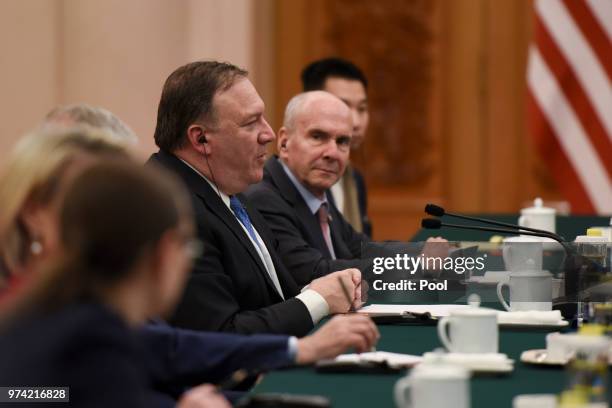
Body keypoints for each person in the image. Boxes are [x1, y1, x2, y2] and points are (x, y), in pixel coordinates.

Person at [0, 112, 379, 399]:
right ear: (35, 208)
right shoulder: (31, 301)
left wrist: (297, 349)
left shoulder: (75, 282)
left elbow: (164, 348)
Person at [149, 61, 367, 336]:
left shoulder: (231, 193)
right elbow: (220, 334)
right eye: (252, 122)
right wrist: (318, 300)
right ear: (201, 139)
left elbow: (277, 296)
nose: (268, 134)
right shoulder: (171, 208)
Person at [0, 157, 229, 407]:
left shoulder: (46, 311)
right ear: (163, 252)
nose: (188, 262)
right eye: (187, 247)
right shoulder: (95, 338)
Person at [246, 92, 448, 286]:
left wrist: (420, 252)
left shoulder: (318, 192)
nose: (332, 153)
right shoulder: (263, 198)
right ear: (284, 142)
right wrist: (414, 264)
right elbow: (313, 273)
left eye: (342, 141)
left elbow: (361, 248)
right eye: (318, 136)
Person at [302, 57, 372, 237]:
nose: (355, 122)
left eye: (362, 108)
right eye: (343, 106)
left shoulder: (355, 179)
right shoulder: (301, 178)